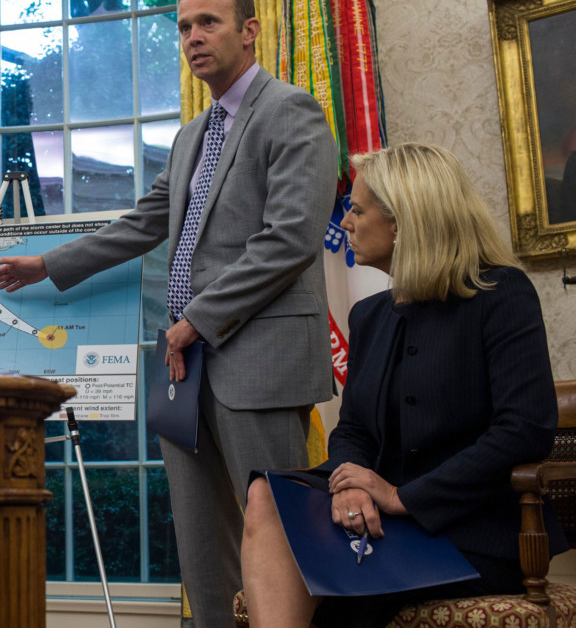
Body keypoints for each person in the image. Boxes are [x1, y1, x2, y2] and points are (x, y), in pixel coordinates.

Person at [0, 0, 337, 626]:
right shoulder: (189, 137)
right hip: (182, 371)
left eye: (209, 22)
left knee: (284, 543)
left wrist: (194, 323)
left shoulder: (291, 111)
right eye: (183, 27)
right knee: (204, 553)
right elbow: (143, 222)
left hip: (256, 365)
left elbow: (290, 239)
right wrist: (48, 263)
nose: (194, 37)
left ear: (249, 30)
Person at [239, 143, 564, 628]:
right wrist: (350, 483)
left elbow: (524, 430)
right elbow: (353, 430)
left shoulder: (502, 295)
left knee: (336, 597)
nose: (345, 222)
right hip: (382, 523)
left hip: (466, 532)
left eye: (358, 209)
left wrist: (401, 497)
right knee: (266, 494)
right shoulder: (369, 315)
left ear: (404, 222)